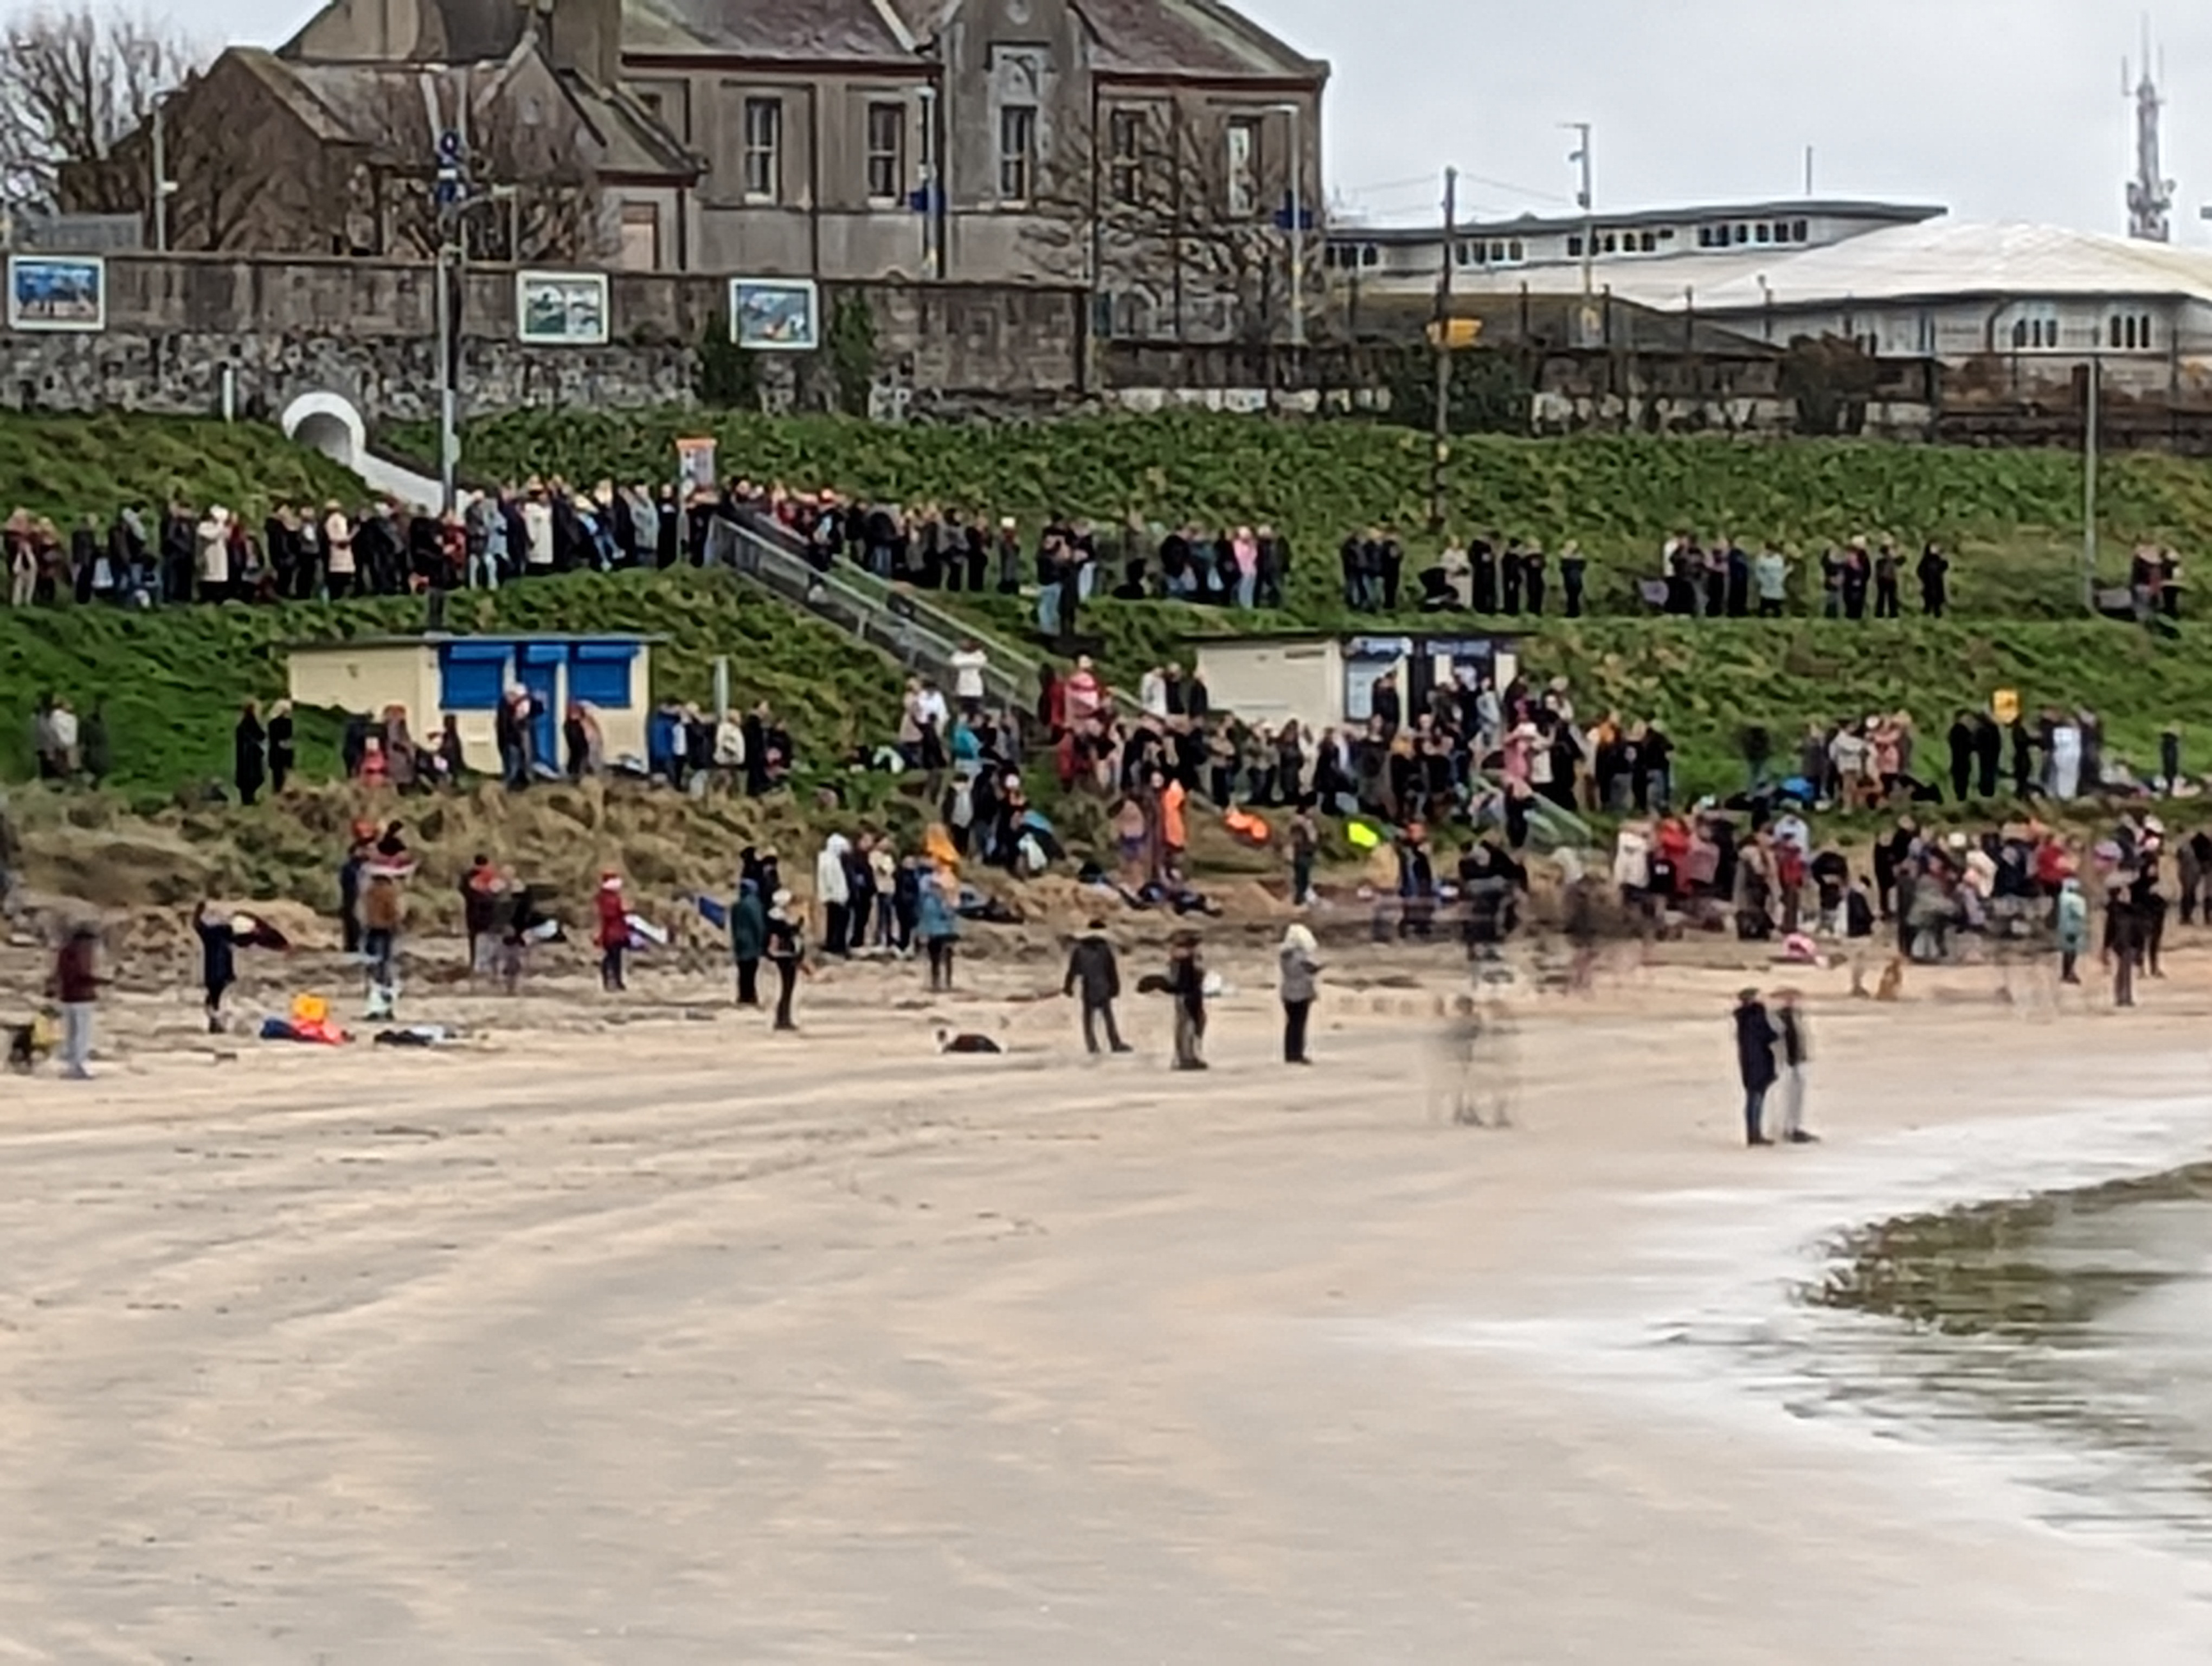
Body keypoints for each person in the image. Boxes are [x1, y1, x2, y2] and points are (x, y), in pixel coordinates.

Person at [1063, 920, 1129, 1055]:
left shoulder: (1079, 950)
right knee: (1108, 1017)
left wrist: (1068, 987)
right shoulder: (1104, 950)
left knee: (1088, 1018)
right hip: (1103, 987)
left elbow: (1073, 971)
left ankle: (1092, 1045)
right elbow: (1111, 970)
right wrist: (1115, 987)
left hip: (1088, 988)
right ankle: (1115, 1043)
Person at [50, 923, 99, 1079]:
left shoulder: (64, 952)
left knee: (71, 1034)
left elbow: (60, 974)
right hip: (83, 997)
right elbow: (82, 975)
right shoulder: (82, 953)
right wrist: (99, 982)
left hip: (67, 997)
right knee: (82, 1034)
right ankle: (81, 1066)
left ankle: (72, 1066)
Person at [1733, 988, 1778, 1147]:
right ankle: (1755, 1134)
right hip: (1758, 1061)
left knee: (1753, 1098)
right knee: (1756, 1098)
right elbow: (1767, 1035)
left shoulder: (1743, 1018)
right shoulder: (1755, 1016)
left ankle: (1753, 1133)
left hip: (1749, 1061)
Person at [1773, 989, 1816, 1144]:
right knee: (1788, 1095)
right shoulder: (1780, 1018)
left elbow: (1803, 1038)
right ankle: (1788, 1128)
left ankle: (1794, 1126)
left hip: (1798, 1060)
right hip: (1787, 1061)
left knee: (1797, 1095)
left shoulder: (1798, 1016)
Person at [192, 901, 237, 1034]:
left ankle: (216, 1023)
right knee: (219, 1000)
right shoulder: (225, 935)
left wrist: (198, 911)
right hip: (222, 975)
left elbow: (197, 924)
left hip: (214, 975)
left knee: (215, 1000)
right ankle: (217, 1023)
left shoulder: (212, 934)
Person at [1278, 922, 1321, 1065]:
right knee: (1299, 1024)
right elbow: (1310, 969)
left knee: (1291, 1024)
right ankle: (1298, 1054)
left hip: (1287, 991)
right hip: (1302, 991)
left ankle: (1290, 1053)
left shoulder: (1284, 955)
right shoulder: (1301, 955)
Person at [1166, 931, 1207, 1071]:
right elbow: (1199, 974)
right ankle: (1188, 1057)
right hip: (1190, 994)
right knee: (1190, 1025)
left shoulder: (1175, 958)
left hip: (1181, 995)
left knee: (1182, 1026)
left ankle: (1182, 1056)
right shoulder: (1189, 958)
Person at [766, 888, 805, 1031]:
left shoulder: (776, 916)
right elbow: (786, 932)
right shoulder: (777, 917)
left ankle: (783, 1017)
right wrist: (797, 926)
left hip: (784, 954)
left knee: (787, 989)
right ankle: (783, 1019)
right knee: (786, 989)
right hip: (785, 955)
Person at [917, 863, 960, 992]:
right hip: (941, 932)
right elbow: (948, 914)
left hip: (938, 932)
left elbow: (924, 916)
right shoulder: (938, 900)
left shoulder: (928, 900)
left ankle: (940, 981)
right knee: (942, 957)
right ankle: (944, 982)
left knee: (938, 958)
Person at [730, 877, 766, 1008]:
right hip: (752, 942)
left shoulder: (737, 905)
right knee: (751, 970)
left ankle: (743, 995)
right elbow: (758, 924)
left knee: (742, 970)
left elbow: (733, 925)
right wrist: (762, 941)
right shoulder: (755, 904)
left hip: (740, 942)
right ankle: (751, 996)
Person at [594, 871, 631, 992]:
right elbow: (610, 914)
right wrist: (623, 911)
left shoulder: (607, 897)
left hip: (616, 931)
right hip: (612, 932)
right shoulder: (608, 898)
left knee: (616, 957)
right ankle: (613, 981)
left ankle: (616, 981)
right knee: (612, 957)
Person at [2056, 876, 2089, 984]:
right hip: (2074, 927)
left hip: (2064, 927)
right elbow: (2081, 914)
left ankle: (2065, 973)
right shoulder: (2077, 900)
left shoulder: (2062, 898)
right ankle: (2070, 972)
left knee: (2066, 951)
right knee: (2073, 951)